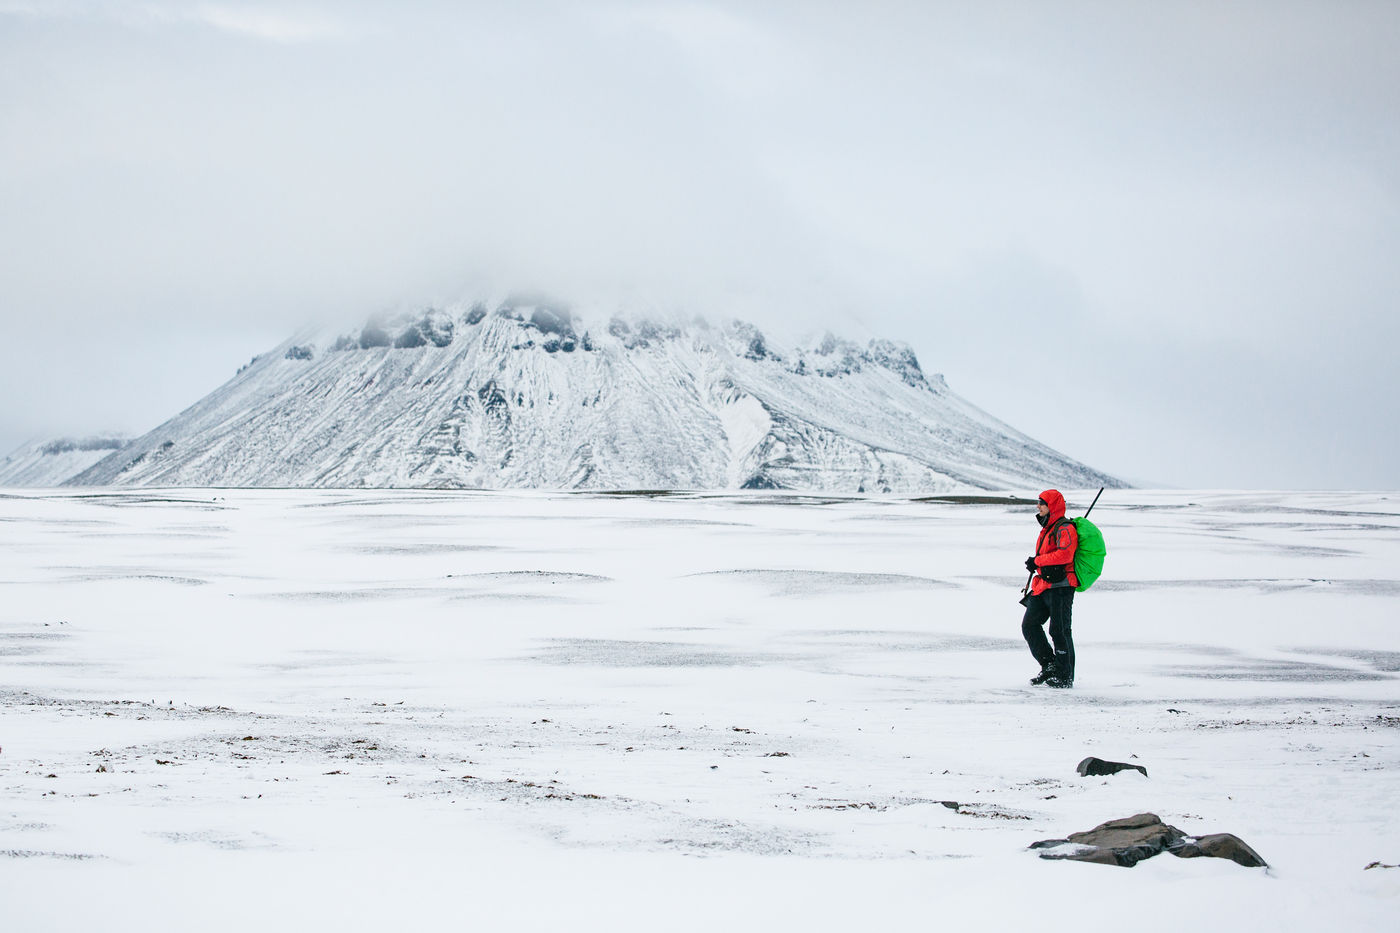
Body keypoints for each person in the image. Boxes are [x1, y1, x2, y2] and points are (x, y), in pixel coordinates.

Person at [1021, 489, 1079, 688]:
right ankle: (1050, 666)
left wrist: (1037, 560)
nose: (1038, 506)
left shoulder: (1065, 528)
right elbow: (1050, 555)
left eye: (1042, 503)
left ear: (1052, 506)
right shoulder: (1047, 528)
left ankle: (1065, 676)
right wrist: (1036, 564)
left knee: (1060, 631)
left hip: (1061, 587)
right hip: (1044, 585)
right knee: (1029, 625)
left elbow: (1065, 555)